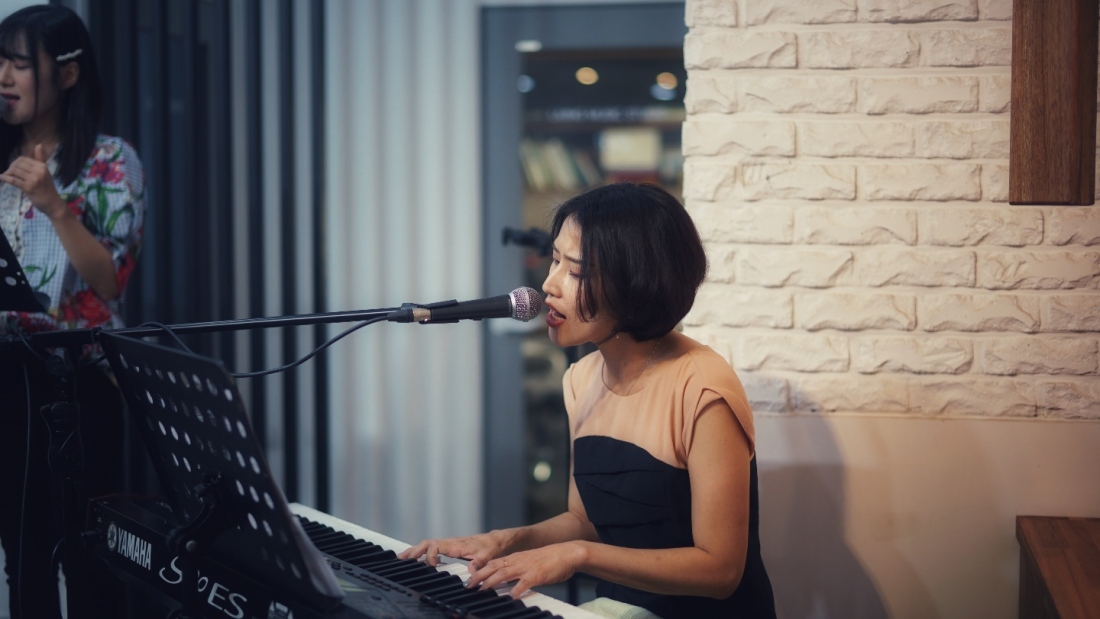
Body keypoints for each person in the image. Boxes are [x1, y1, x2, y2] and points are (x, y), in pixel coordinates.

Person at [400, 182, 775, 619]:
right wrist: (504, 540)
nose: (548, 285)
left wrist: (577, 555)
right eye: (555, 260)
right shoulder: (580, 379)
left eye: (575, 272)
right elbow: (585, 521)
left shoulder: (703, 387)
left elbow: (721, 570)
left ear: (635, 283)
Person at [0, 5, 145, 619]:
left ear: (66, 74)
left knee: (90, 562)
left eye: (18, 63)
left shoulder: (110, 160)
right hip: (8, 381)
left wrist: (54, 204)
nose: (3, 77)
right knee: (23, 558)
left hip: (79, 386)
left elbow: (110, 282)